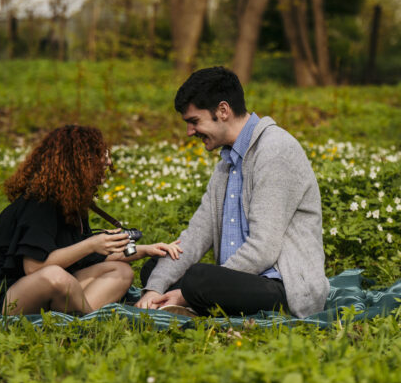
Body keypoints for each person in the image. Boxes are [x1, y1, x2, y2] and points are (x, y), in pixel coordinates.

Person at [0, 125, 181, 315]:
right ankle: (89, 315)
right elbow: (34, 268)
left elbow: (83, 259)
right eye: (98, 159)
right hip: (2, 293)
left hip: (39, 288)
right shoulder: (40, 203)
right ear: (78, 164)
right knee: (55, 277)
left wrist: (144, 250)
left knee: (121, 272)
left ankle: (75, 312)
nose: (105, 166)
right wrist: (91, 244)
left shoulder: (73, 204)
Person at [135, 66, 328, 318]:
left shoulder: (274, 150)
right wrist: (153, 289)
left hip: (283, 288)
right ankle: (188, 301)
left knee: (198, 279)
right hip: (236, 282)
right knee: (154, 270)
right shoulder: (226, 164)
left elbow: (263, 249)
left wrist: (187, 291)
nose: (190, 132)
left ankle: (190, 301)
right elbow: (195, 236)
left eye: (194, 121)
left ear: (223, 111)